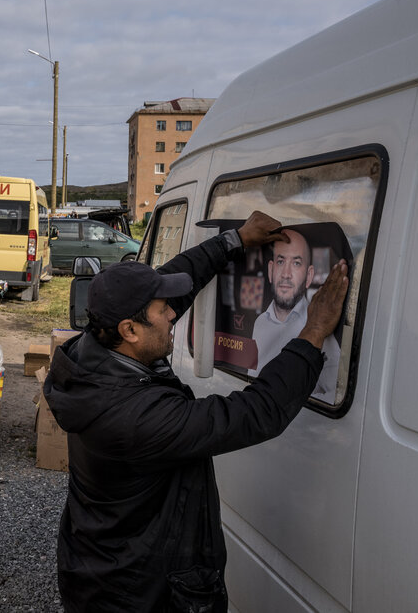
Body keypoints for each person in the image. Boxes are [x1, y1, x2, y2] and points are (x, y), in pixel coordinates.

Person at [43, 211, 348, 612]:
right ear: (130, 331)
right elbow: (254, 412)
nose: (173, 313)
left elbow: (172, 283)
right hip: (135, 594)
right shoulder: (134, 417)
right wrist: (312, 332)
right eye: (162, 310)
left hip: (101, 565)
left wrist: (233, 241)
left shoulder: (96, 350)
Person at [248, 228, 341, 403]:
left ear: (309, 275)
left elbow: (337, 395)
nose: (286, 274)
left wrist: (287, 402)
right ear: (271, 270)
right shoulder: (260, 323)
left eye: (296, 263)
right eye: (281, 262)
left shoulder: (319, 325)